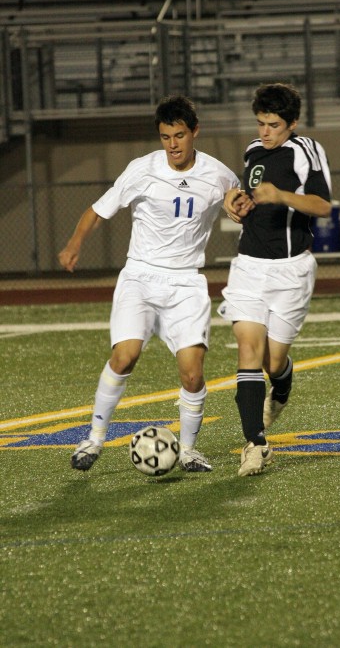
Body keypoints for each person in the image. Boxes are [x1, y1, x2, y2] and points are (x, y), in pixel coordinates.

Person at [59, 95, 239, 472]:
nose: (172, 144)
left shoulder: (219, 174)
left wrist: (239, 210)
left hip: (187, 282)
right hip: (140, 276)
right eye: (164, 137)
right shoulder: (142, 169)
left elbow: (233, 204)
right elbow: (96, 210)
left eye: (179, 135)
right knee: (125, 356)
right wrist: (74, 243)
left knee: (192, 374)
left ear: (195, 132)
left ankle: (188, 450)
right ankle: (93, 439)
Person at [219, 82, 332, 477]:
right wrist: (235, 204)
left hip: (291, 271)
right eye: (261, 123)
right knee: (247, 349)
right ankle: (256, 444)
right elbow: (248, 196)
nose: (265, 131)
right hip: (249, 265)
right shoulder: (252, 150)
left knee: (273, 360)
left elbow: (322, 205)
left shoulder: (306, 151)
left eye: (273, 124)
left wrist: (282, 195)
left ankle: (281, 385)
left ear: (293, 123)